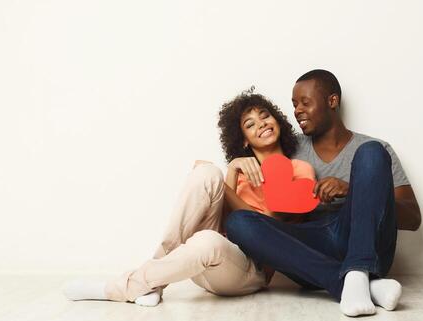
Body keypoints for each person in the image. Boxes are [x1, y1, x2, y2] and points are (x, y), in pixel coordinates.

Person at [63, 91, 316, 306]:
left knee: (207, 239)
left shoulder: (299, 170)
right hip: (205, 256)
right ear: (245, 141)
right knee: (206, 173)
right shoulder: (240, 173)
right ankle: (155, 278)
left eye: (265, 116)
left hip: (248, 270)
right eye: (250, 124)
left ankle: (118, 288)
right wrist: (229, 172)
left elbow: (265, 229)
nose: (260, 124)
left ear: (278, 121)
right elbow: (227, 221)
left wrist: (229, 172)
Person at [224, 69, 421, 317]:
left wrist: (353, 191)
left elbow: (413, 219)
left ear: (332, 101)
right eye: (294, 105)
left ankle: (359, 269)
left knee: (371, 152)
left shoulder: (375, 150)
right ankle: (356, 285)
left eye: (305, 103)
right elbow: (266, 197)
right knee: (238, 222)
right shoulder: (289, 148)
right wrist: (235, 166)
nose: (297, 111)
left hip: (366, 243)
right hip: (314, 246)